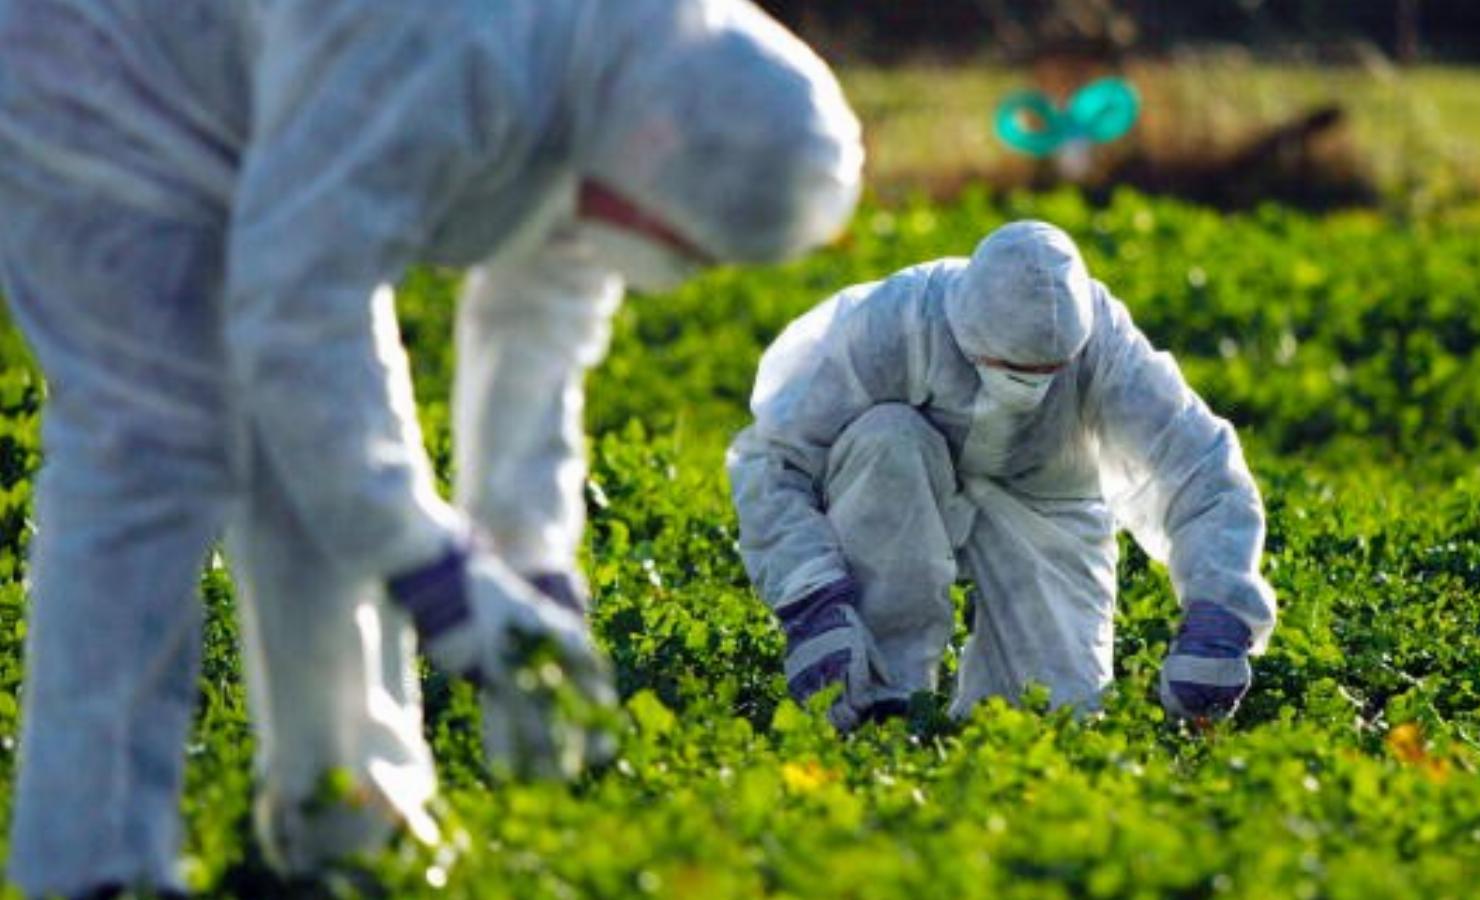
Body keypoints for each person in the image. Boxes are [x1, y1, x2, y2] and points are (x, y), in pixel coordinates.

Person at [0, 0, 863, 894]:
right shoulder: (459, 52)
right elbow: (298, 313)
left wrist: (531, 579)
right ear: (652, 146)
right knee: (157, 446)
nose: (670, 266)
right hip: (103, 75)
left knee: (324, 451)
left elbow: (535, 330)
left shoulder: (615, 87)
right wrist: (433, 569)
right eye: (680, 247)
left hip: (281, 131)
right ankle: (90, 865)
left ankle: (347, 820)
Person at [727, 221, 1275, 732]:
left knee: (1055, 722)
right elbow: (774, 458)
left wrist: (1219, 609)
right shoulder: (894, 321)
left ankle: (990, 719)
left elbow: (1199, 463)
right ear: (966, 329)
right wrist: (811, 600)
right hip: (897, 481)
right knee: (887, 437)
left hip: (1044, 504)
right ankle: (883, 703)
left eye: (1047, 373)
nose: (1029, 386)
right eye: (1010, 368)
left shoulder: (1106, 343)